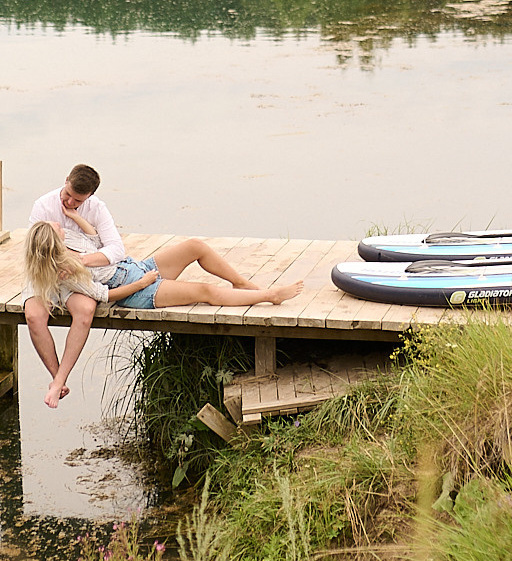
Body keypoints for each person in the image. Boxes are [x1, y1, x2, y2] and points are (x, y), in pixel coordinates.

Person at [22, 164, 303, 408]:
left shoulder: (72, 236)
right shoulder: (67, 267)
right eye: (59, 223)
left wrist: (74, 219)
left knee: (195, 246)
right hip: (136, 287)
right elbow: (103, 295)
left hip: (132, 267)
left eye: (74, 201)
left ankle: (242, 283)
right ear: (54, 242)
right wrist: (142, 282)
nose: (64, 211)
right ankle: (270, 296)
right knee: (203, 292)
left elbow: (103, 241)